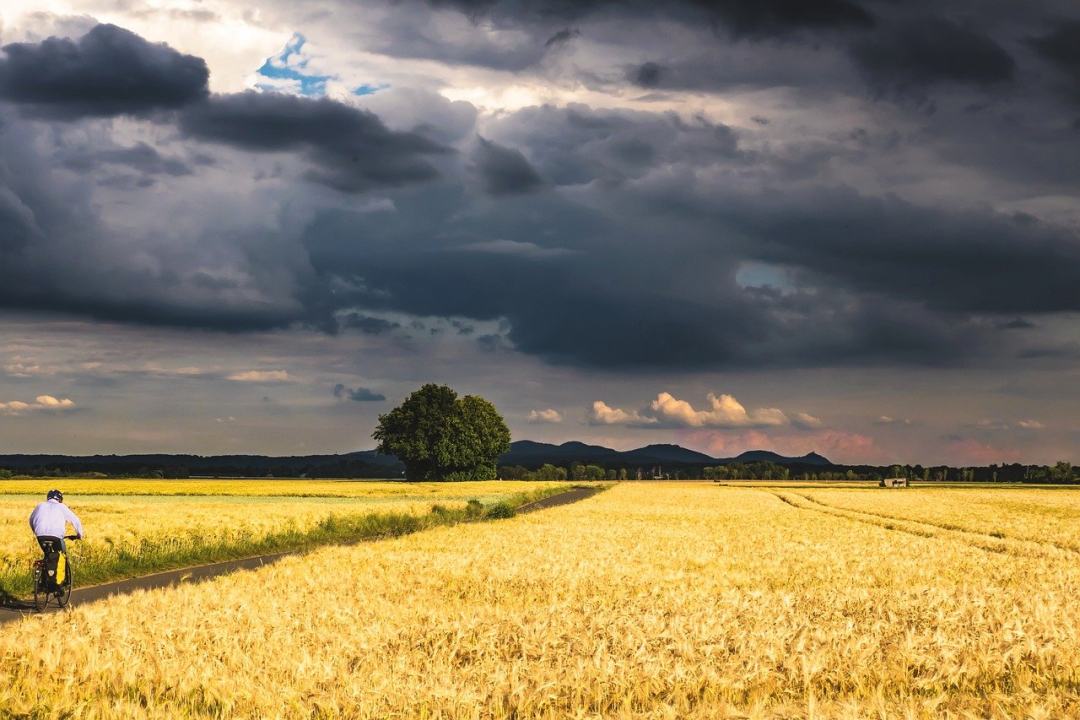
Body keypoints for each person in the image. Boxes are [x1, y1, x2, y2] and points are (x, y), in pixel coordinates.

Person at [29, 489, 84, 555]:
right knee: (62, 556)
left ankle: (46, 560)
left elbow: (31, 519)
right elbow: (76, 520)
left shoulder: (40, 505)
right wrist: (79, 535)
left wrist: (36, 532)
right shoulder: (62, 506)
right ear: (60, 499)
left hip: (40, 535)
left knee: (48, 555)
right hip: (56, 536)